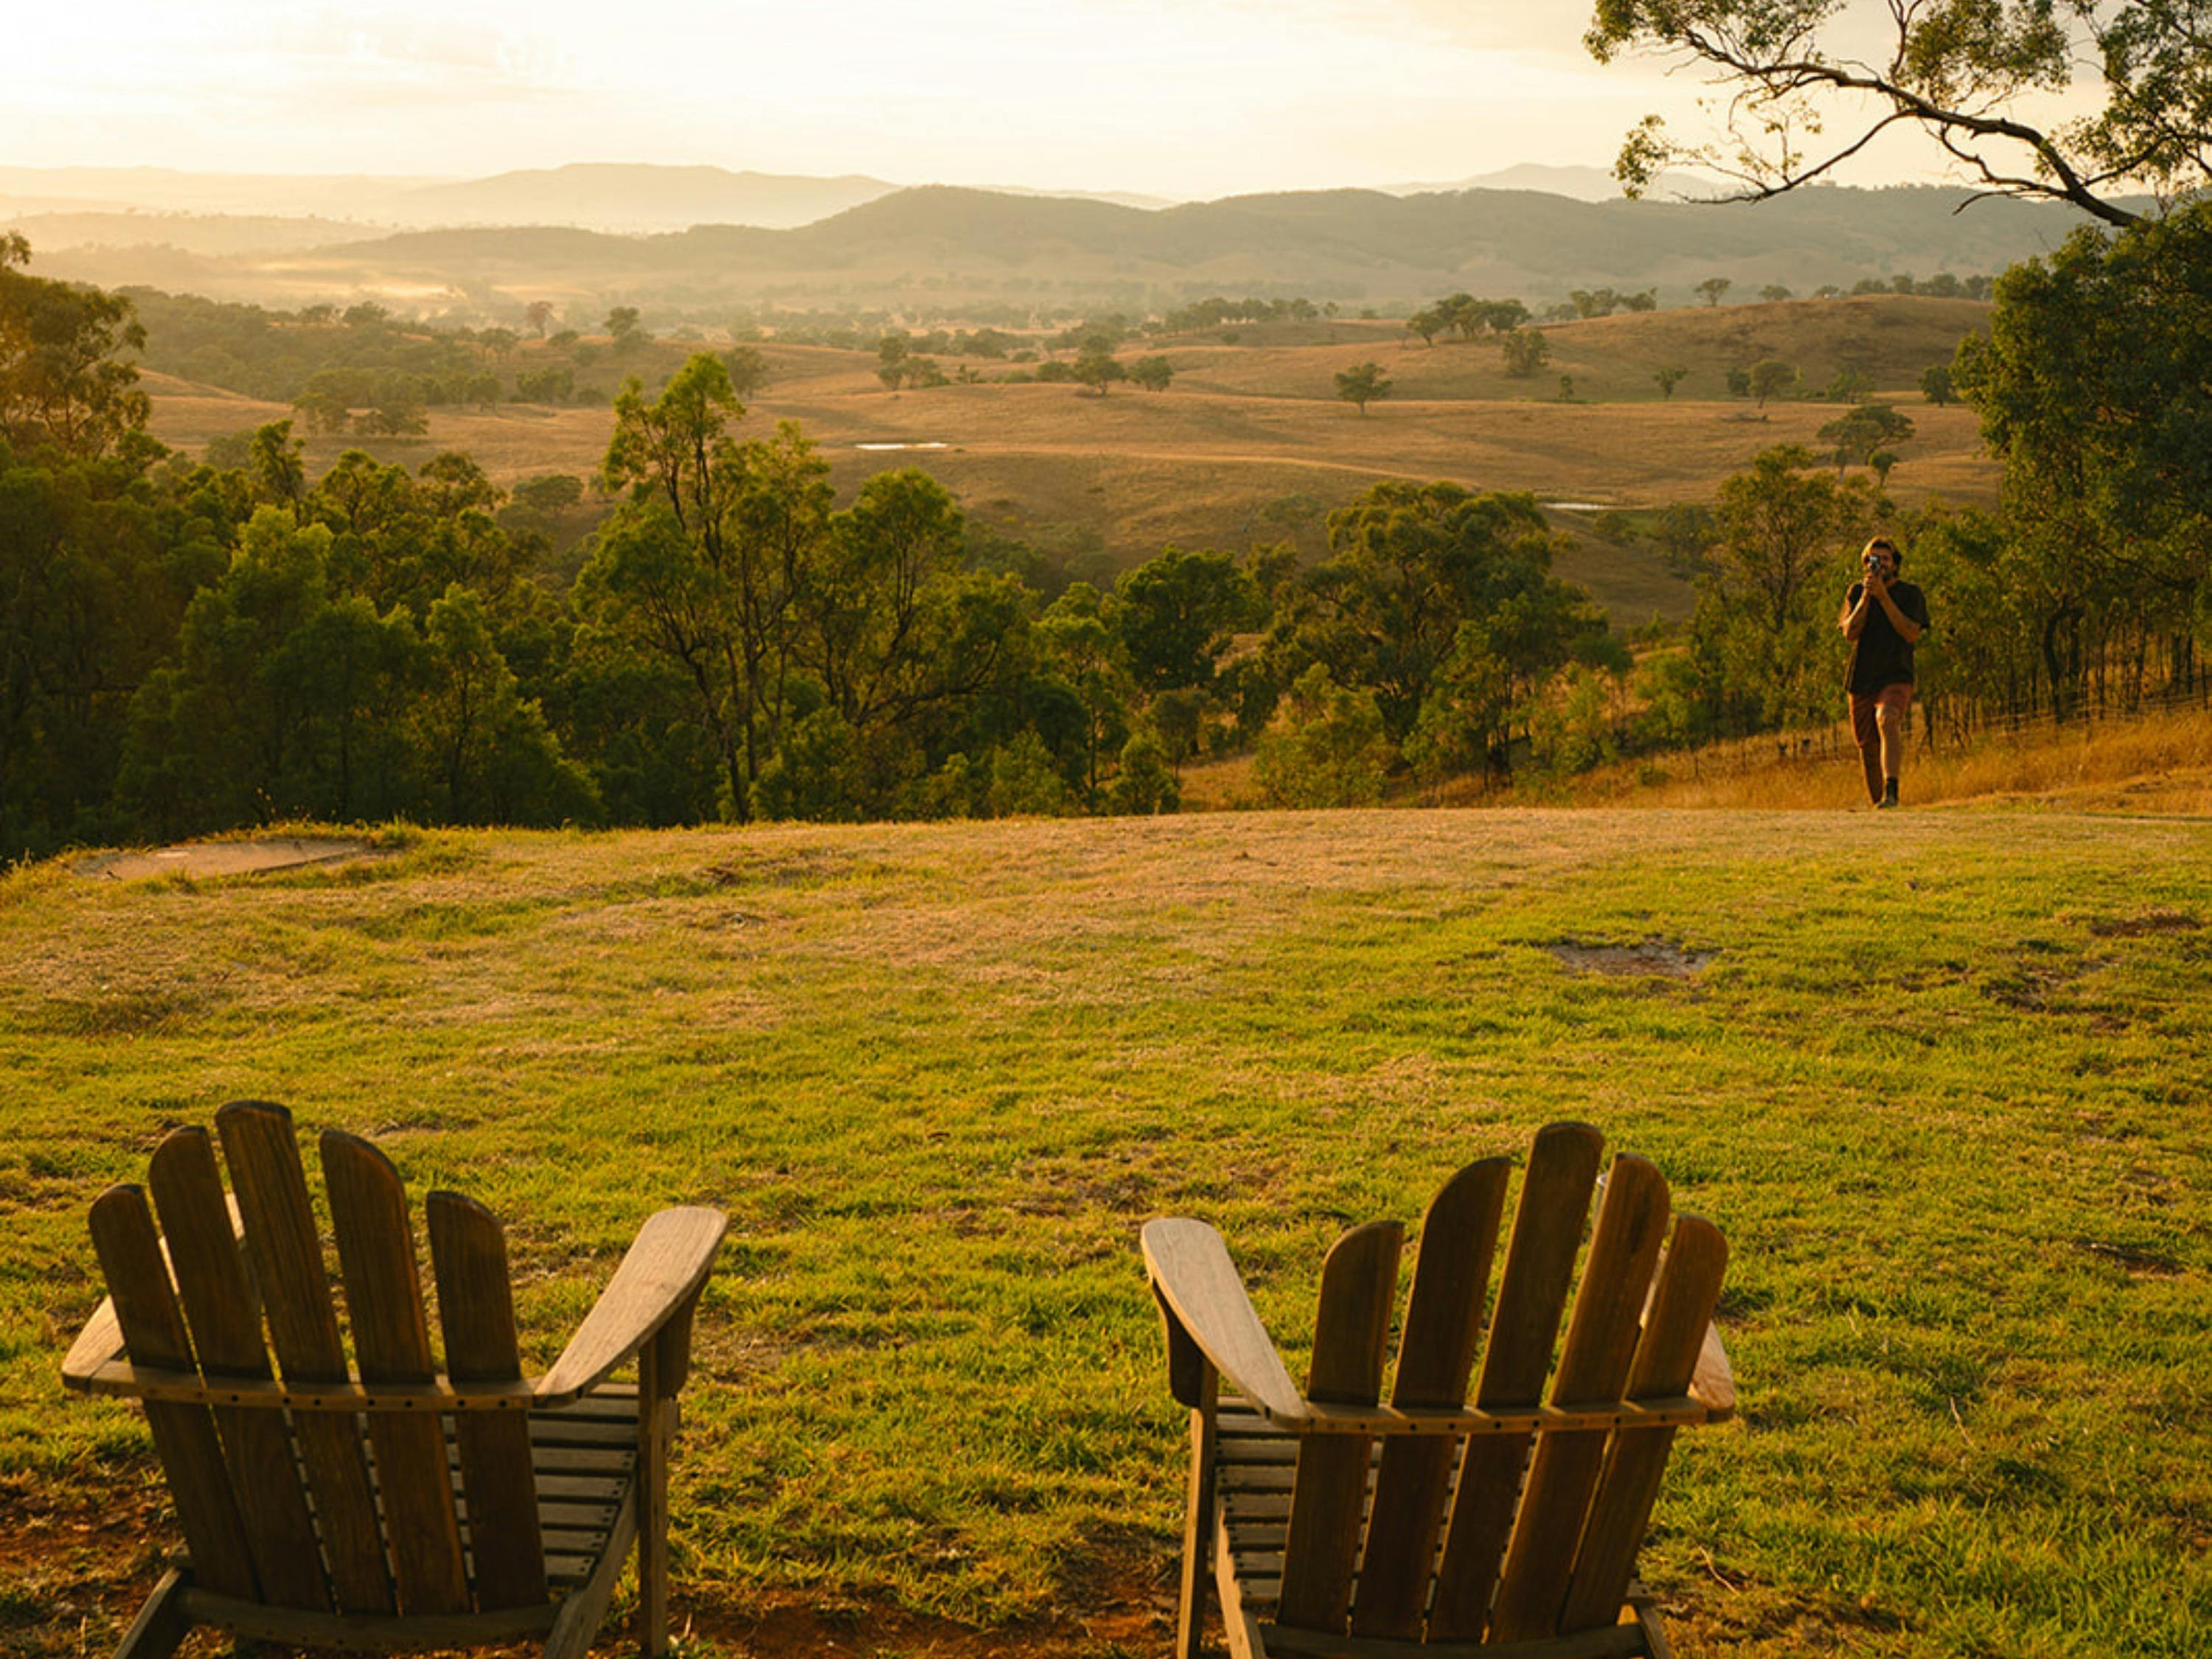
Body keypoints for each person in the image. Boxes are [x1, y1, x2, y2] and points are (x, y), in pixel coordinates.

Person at [1838, 536, 1929, 808]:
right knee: (1867, 745)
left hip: (1896, 673)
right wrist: (1867, 596)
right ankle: (1880, 804)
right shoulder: (1856, 592)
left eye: (1884, 559)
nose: (1878, 565)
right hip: (1862, 677)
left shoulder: (1911, 594)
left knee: (1888, 719)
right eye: (1872, 560)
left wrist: (1884, 597)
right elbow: (1850, 632)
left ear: (1895, 564)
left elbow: (1911, 633)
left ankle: (1892, 792)